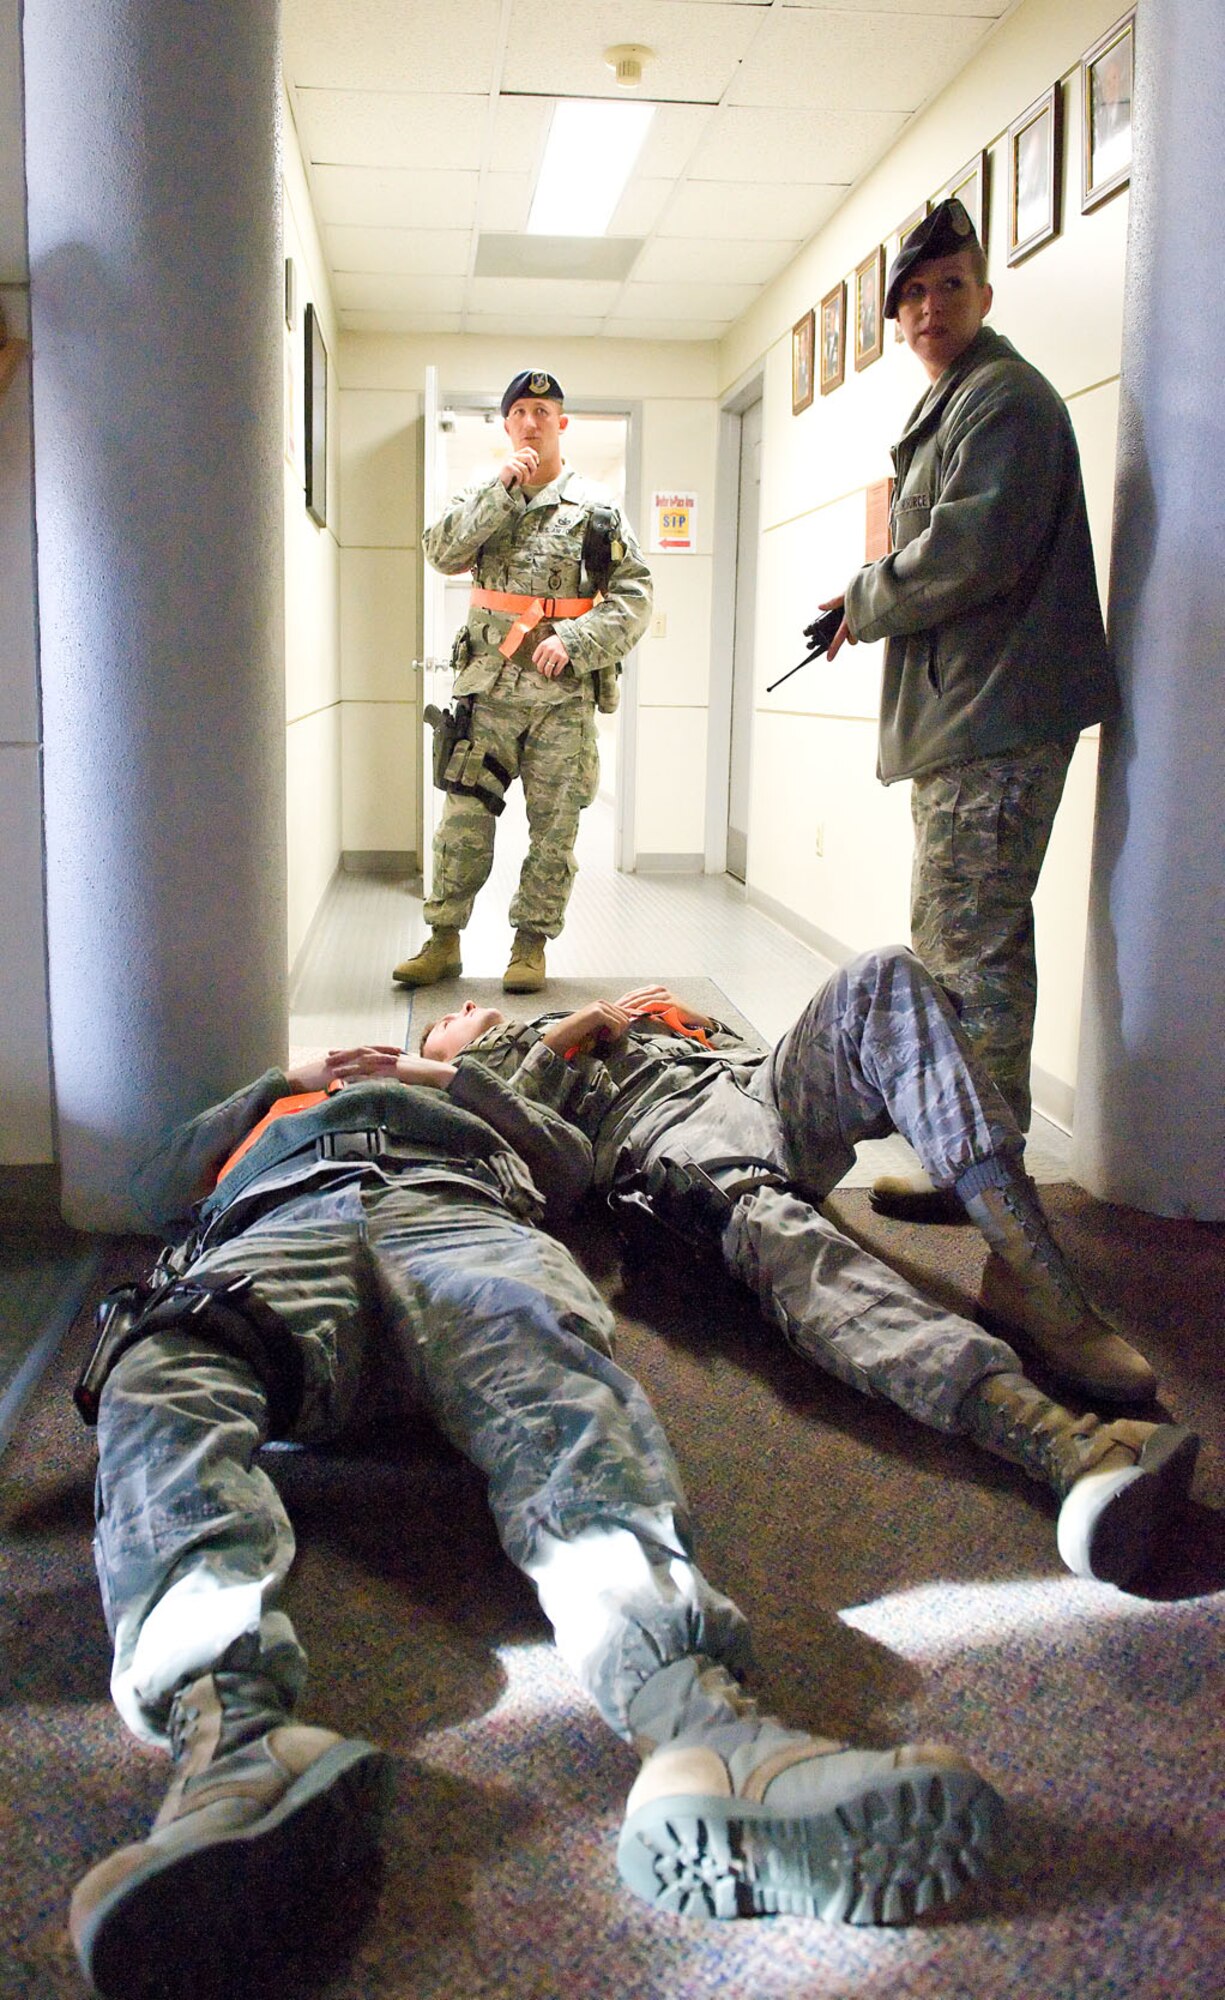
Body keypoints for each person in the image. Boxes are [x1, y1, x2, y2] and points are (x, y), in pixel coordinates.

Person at [68, 1033, 1004, 2000]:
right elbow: (146, 1191)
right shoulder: (268, 1112)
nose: (376, 1056)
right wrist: (283, 1083)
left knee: (556, 1390)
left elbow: (567, 1170)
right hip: (276, 1232)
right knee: (162, 1370)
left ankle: (707, 1737)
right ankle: (232, 1743)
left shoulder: (471, 1100)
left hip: (461, 1223)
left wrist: (455, 1083)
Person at [420, 947, 1199, 1591]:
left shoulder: (595, 1014)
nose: (454, 1013)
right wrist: (562, 1042)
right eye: (439, 1030)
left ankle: (1034, 1277)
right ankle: (1065, 1448)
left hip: (754, 1085)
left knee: (884, 975)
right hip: (678, 1145)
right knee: (787, 1244)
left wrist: (649, 1023)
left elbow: (732, 1046)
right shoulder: (481, 1090)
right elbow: (557, 1178)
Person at [817, 198, 1119, 1221]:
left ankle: (982, 1176)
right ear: (895, 318)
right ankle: (970, 1158)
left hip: (995, 718)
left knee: (973, 951)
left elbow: (967, 552)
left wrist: (866, 593)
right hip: (976, 714)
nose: (930, 307)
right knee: (961, 942)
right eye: (913, 294)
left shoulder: (1004, 402)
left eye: (950, 287)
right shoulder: (967, 398)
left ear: (984, 295)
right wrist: (867, 598)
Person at [393, 369, 652, 998]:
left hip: (561, 702)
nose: (531, 421)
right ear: (506, 425)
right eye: (520, 412)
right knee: (461, 824)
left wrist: (578, 640)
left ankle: (530, 945)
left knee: (554, 831)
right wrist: (501, 490)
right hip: (487, 696)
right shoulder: (486, 496)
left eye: (543, 410)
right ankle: (444, 940)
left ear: (562, 423)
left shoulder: (596, 509)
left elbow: (635, 594)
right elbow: (439, 551)